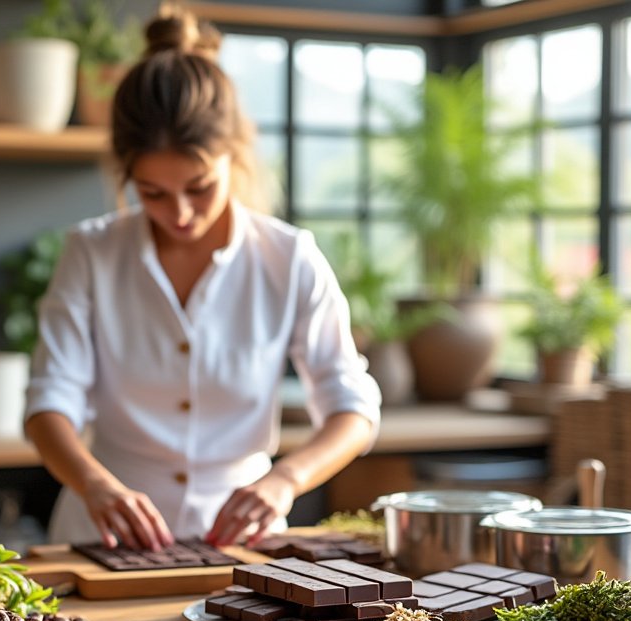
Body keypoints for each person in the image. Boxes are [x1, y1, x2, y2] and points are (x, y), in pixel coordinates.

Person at [23, 5, 381, 552]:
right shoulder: (91, 253)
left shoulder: (289, 257)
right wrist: (95, 484)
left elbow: (352, 410)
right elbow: (49, 403)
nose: (182, 213)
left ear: (234, 157)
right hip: (102, 539)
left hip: (243, 545)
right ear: (127, 176)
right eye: (154, 194)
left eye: (200, 187)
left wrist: (284, 480)